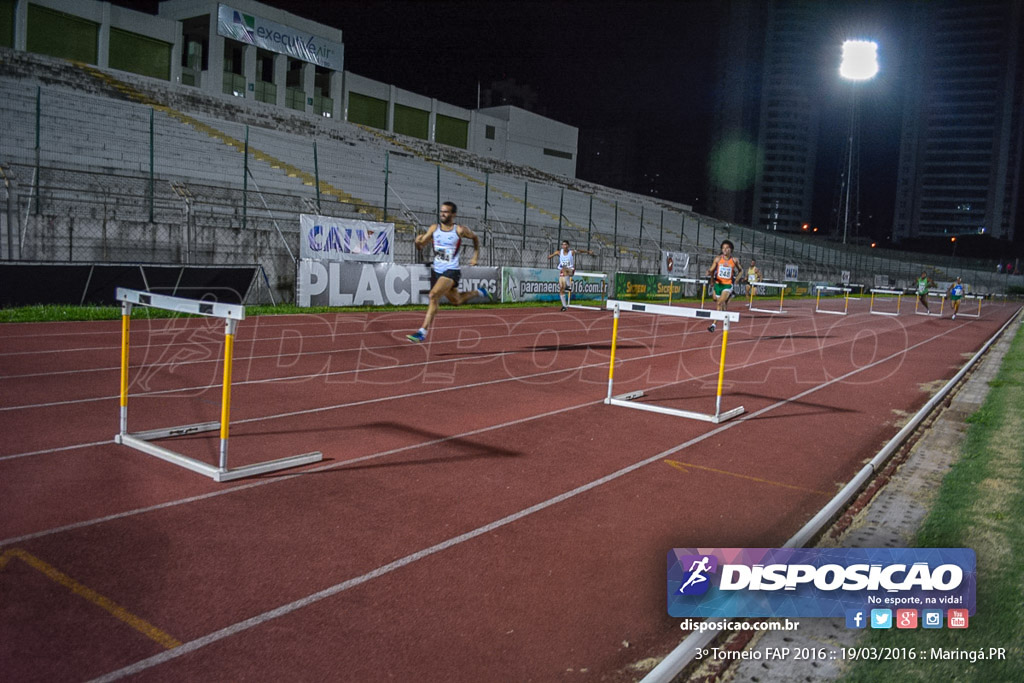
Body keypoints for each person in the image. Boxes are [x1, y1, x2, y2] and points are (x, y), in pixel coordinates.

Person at [406, 201, 490, 343]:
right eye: (441, 211)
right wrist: (417, 242)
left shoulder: (460, 230)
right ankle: (478, 292)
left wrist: (475, 256)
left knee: (433, 295)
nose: (443, 214)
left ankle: (422, 332)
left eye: (446, 212)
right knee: (456, 301)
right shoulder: (434, 229)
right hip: (437, 270)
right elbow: (421, 245)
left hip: (452, 270)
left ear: (453, 214)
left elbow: (475, 238)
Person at [547, 240, 595, 311]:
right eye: (563, 245)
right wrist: (550, 256)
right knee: (561, 289)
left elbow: (579, 251)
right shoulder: (559, 252)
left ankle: (569, 286)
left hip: (570, 270)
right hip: (563, 273)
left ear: (568, 246)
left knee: (564, 269)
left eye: (565, 245)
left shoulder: (571, 252)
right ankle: (564, 306)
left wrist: (588, 252)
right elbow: (551, 255)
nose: (564, 246)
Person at [705, 239, 741, 332]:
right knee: (716, 300)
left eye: (727, 248)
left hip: (727, 285)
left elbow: (741, 270)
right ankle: (726, 317)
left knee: (719, 303)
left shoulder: (734, 260)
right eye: (723, 248)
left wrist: (737, 278)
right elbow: (712, 269)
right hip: (718, 284)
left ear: (731, 250)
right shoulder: (718, 259)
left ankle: (713, 325)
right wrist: (710, 274)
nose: (725, 250)